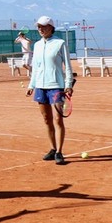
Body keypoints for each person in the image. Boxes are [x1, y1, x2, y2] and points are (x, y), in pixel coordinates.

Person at [26, 16, 74, 165]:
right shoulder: (37, 45)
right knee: (47, 120)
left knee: (58, 119)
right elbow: (36, 68)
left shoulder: (60, 43)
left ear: (51, 27)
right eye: (39, 27)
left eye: (44, 26)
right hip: (40, 86)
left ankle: (59, 152)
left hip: (56, 87)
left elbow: (68, 66)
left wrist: (68, 84)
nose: (41, 29)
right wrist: (31, 85)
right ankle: (53, 149)